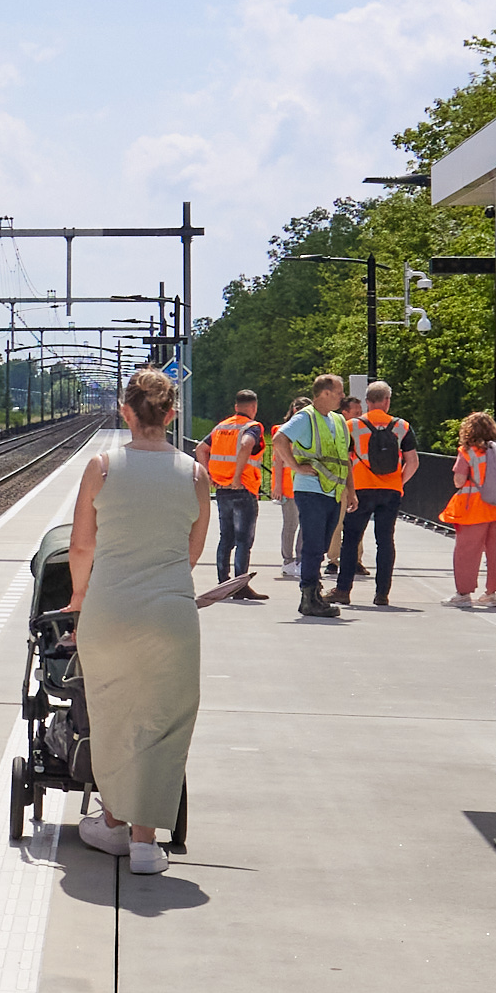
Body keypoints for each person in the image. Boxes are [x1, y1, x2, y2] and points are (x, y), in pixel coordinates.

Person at [64, 365, 210, 873]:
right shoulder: (195, 474)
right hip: (171, 613)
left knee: (111, 713)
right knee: (164, 720)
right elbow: (192, 550)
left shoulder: (102, 467)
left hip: (109, 609)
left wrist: (79, 596)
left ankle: (112, 823)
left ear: (125, 411)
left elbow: (81, 546)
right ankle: (146, 843)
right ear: (171, 415)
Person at [272, 373, 360, 618]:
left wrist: (351, 490)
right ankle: (309, 597)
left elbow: (345, 459)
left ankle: (313, 594)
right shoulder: (306, 417)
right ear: (325, 393)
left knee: (320, 545)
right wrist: (295, 467)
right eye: (339, 392)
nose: (342, 397)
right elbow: (279, 439)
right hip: (311, 490)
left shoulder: (338, 420)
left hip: (333, 491)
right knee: (312, 544)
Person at [346, 381, 414, 609]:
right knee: (385, 541)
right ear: (387, 401)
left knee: (351, 539)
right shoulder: (402, 426)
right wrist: (398, 482)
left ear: (367, 402)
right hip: (390, 491)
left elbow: (344, 459)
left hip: (360, 489)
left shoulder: (352, 425)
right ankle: (382, 593)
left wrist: (349, 488)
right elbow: (413, 461)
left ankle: (343, 590)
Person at [201, 390, 269, 602]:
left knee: (226, 538)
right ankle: (240, 586)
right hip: (243, 488)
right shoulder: (252, 427)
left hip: (222, 489)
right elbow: (246, 444)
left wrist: (209, 475)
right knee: (243, 540)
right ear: (254, 407)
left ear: (236, 407)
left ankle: (223, 583)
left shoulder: (221, 427)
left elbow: (201, 448)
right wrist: (237, 476)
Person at [441, 411, 496, 609]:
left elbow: (459, 481)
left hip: (473, 507)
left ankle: (464, 594)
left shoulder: (468, 452)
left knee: (467, 552)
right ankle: (491, 593)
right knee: (495, 552)